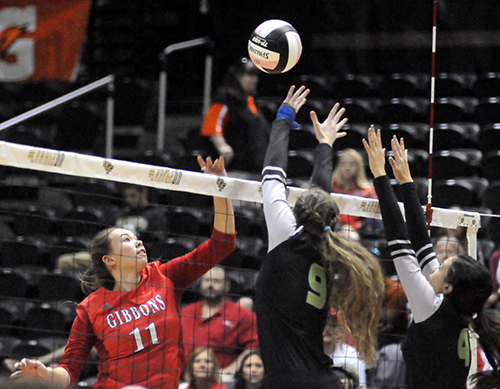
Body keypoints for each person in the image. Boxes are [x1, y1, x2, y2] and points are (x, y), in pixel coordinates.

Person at [10, 155, 236, 389]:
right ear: (110, 260)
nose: (139, 243)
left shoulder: (165, 276)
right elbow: (69, 371)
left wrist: (220, 188)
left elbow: (223, 244)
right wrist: (47, 375)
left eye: (138, 239)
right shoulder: (91, 307)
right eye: (127, 240)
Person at [256, 85, 385, 389]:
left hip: (289, 383)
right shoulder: (326, 246)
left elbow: (273, 170)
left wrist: (284, 118)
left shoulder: (286, 236)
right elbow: (321, 192)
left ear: (298, 212)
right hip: (322, 379)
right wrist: (324, 143)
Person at [363, 126, 500, 389]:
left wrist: (379, 174)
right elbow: (422, 242)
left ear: (448, 287)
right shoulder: (455, 311)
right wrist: (406, 182)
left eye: (441, 269)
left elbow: (399, 241)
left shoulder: (431, 309)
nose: (434, 269)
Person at [181, 266, 259, 381]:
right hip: (185, 379)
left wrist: (234, 367)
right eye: (207, 280)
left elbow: (255, 346)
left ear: (227, 286)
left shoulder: (241, 314)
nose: (210, 285)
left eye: (216, 281)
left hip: (221, 380)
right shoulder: (187, 311)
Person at [200, 57, 270, 174]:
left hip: (257, 170)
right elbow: (212, 125)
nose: (255, 79)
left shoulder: (252, 103)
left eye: (255, 76)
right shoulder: (225, 100)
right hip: (237, 171)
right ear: (237, 77)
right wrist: (222, 146)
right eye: (249, 75)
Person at [330, 148, 379, 236]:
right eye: (343, 164)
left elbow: (373, 218)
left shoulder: (367, 190)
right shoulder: (330, 187)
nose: (347, 168)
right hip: (332, 228)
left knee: (350, 235)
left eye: (352, 164)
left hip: (358, 231)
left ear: (359, 167)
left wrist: (355, 227)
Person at [114, 184, 168, 248]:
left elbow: (158, 242)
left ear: (144, 193)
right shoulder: (123, 214)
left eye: (133, 196)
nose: (128, 200)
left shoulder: (155, 214)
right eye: (126, 196)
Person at [323, 311, 367, 388]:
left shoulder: (352, 355)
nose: (327, 329)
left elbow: (361, 386)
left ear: (340, 329)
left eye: (333, 326)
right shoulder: (305, 352)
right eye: (324, 324)